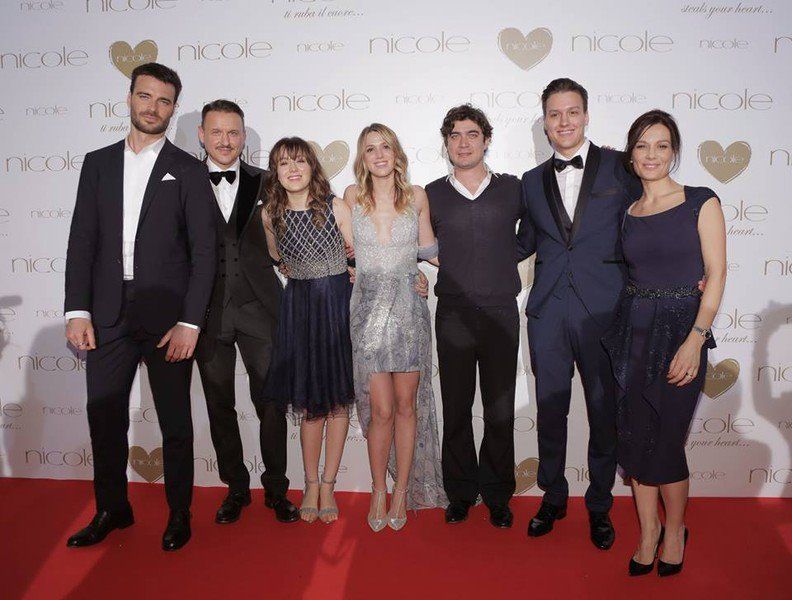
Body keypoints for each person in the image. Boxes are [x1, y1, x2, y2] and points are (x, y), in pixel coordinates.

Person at [64, 63, 216, 551]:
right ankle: (112, 509)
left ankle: (179, 513)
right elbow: (81, 241)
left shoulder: (188, 169)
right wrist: (77, 310)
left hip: (168, 319)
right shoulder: (97, 163)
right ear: (129, 97)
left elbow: (205, 253)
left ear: (173, 108)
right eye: (145, 96)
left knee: (175, 423)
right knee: (104, 417)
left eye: (164, 101)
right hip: (106, 314)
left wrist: (190, 321)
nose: (153, 108)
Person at [517, 78, 642, 549]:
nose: (564, 121)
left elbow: (649, 220)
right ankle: (553, 496)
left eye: (572, 112)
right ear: (545, 122)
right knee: (551, 410)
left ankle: (600, 504)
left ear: (586, 116)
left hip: (605, 311)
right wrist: (454, 255)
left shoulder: (621, 167)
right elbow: (522, 243)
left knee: (603, 412)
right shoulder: (531, 181)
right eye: (554, 114)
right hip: (548, 311)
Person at [602, 110, 725, 576]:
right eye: (642, 145)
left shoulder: (700, 201)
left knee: (668, 441)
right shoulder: (628, 213)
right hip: (633, 332)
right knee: (635, 437)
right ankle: (648, 531)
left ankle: (675, 531)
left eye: (661, 145)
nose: (651, 154)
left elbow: (716, 274)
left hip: (681, 332)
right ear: (631, 154)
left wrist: (696, 337)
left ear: (674, 152)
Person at [194, 100, 298, 525]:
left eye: (233, 132)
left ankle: (277, 489)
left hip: (260, 309)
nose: (225, 140)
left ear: (243, 136)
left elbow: (297, 228)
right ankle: (235, 488)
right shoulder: (182, 182)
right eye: (217, 132)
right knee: (219, 403)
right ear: (202, 135)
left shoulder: (266, 181)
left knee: (271, 402)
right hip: (206, 313)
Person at [343, 123, 447, 532]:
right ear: (362, 157)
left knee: (406, 406)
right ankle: (377, 489)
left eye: (386, 147)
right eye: (371, 149)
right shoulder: (351, 197)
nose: (379, 155)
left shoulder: (416, 196)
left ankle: (401, 490)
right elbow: (342, 251)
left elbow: (430, 249)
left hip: (408, 310)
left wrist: (472, 263)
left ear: (397, 153)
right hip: (367, 312)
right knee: (381, 410)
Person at [426, 105, 524, 528]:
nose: (463, 143)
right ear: (446, 143)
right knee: (456, 407)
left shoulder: (513, 188)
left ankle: (498, 494)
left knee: (500, 410)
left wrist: (503, 258)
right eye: (454, 135)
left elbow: (536, 233)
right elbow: (414, 242)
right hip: (453, 314)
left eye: (471, 134)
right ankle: (461, 492)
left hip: (501, 312)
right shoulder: (430, 193)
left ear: (487, 140)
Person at [261, 137, 355, 524]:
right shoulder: (270, 214)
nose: (293, 169)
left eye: (300, 161)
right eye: (284, 163)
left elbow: (358, 253)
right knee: (310, 405)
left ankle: (328, 485)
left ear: (313, 167)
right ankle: (310, 484)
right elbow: (276, 257)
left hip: (337, 308)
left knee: (337, 402)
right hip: (300, 311)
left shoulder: (336, 206)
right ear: (276, 172)